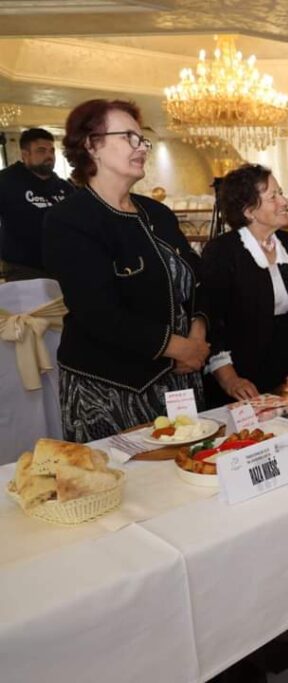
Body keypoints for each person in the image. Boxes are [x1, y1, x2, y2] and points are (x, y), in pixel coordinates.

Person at [42, 99, 210, 442]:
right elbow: (98, 313)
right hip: (110, 389)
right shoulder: (70, 219)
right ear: (92, 146)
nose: (141, 147)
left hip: (179, 378)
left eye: (142, 139)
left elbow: (198, 281)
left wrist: (197, 334)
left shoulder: (158, 213)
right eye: (128, 137)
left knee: (190, 468)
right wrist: (180, 348)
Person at [200, 164, 288, 406]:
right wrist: (229, 379)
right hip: (242, 370)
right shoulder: (222, 251)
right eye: (273, 197)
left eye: (281, 193)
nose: (284, 201)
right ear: (248, 211)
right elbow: (214, 322)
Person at [0, 128, 74, 280]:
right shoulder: (6, 182)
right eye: (41, 151)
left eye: (51, 151)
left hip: (63, 264)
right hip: (23, 268)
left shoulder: (64, 187)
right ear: (25, 154)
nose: (49, 156)